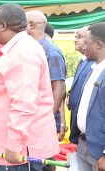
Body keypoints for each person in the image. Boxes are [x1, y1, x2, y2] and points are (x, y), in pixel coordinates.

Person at [0, 3, 59, 171]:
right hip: (10, 146)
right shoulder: (17, 48)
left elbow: (23, 103)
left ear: (3, 25)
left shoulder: (22, 52)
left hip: (20, 151)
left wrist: (13, 145)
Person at [26, 10, 67, 143]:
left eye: (22, 24)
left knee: (43, 159)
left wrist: (48, 119)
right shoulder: (31, 48)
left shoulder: (50, 51)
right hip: (32, 118)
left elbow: (59, 89)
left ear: (31, 24)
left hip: (43, 121)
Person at [69, 22, 105, 171]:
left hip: (99, 151)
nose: (84, 47)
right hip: (84, 144)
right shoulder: (92, 68)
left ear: (98, 44)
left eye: (87, 43)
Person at [68, 26, 93, 114]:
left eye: (79, 37)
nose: (75, 40)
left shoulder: (95, 63)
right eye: (75, 37)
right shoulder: (83, 60)